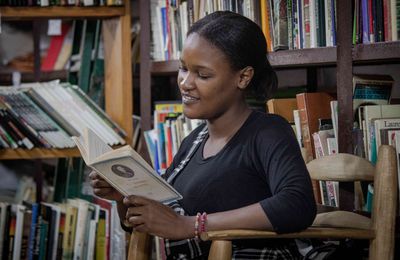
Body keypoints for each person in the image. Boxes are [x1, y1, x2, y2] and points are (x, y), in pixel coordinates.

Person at [90, 11, 316, 259]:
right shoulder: (194, 141)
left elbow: (298, 204)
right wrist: (124, 197)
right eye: (183, 68)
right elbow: (165, 216)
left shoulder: (268, 132)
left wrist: (191, 225)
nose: (185, 82)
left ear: (243, 77)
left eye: (203, 75)